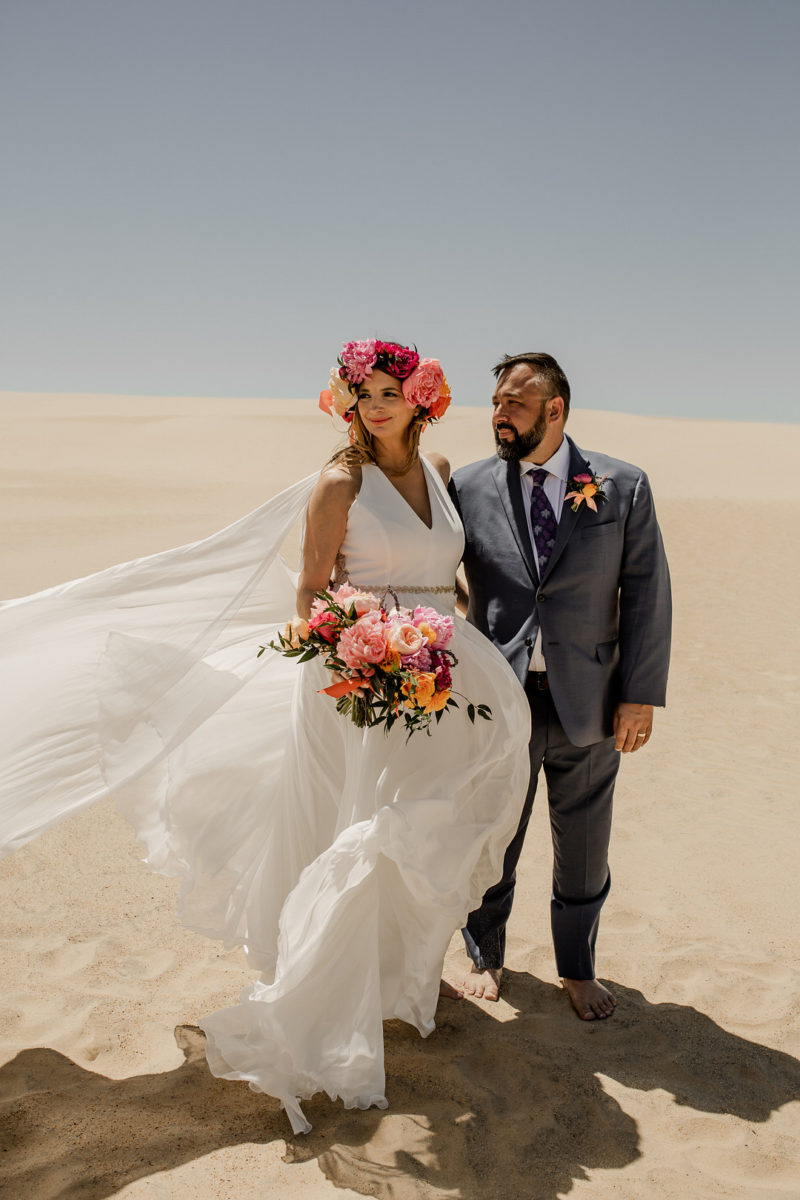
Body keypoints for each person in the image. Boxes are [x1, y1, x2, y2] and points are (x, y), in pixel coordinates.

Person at [0, 339, 530, 1133]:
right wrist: (372, 652)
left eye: (391, 390)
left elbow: (443, 571)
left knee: (423, 821)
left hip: (437, 678)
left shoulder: (442, 471)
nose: (377, 404)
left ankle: (394, 973)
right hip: (357, 682)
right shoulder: (340, 481)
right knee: (354, 831)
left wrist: (435, 642)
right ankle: (319, 994)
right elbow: (310, 598)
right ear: (346, 403)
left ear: (421, 398)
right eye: (364, 393)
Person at [449, 352, 671, 1020]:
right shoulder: (467, 486)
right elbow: (438, 572)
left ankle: (578, 969)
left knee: (584, 845)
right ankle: (484, 957)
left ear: (555, 409)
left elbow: (647, 595)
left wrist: (640, 694)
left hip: (592, 701)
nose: (499, 415)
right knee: (493, 838)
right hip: (498, 703)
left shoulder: (622, 486)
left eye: (514, 402)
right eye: (495, 402)